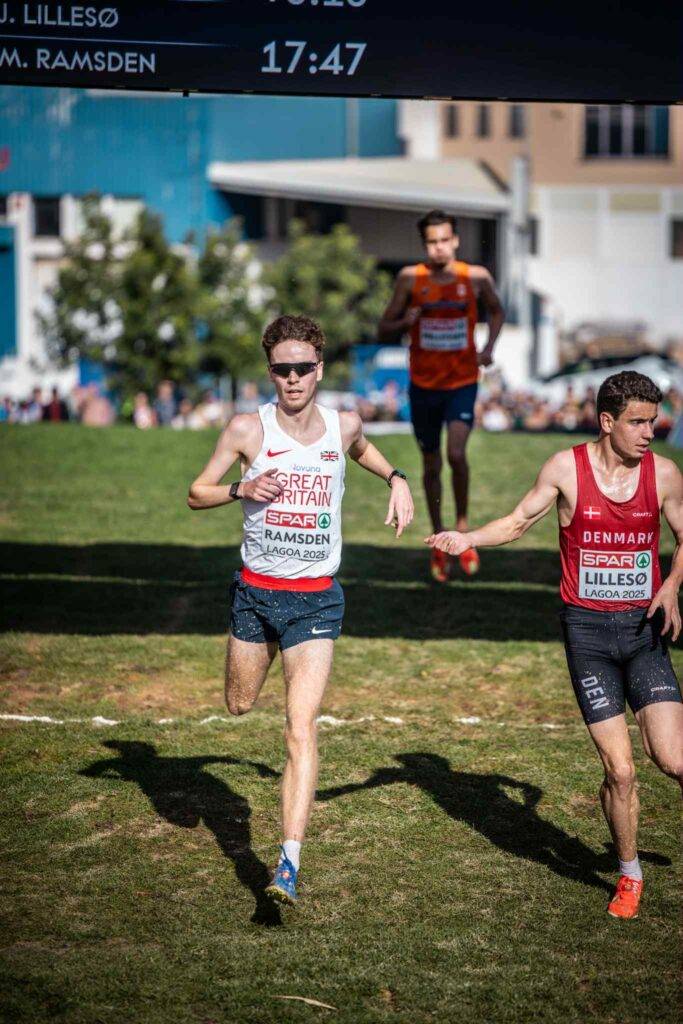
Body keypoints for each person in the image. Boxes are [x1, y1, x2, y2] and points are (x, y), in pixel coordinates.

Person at [426, 371, 683, 920]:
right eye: (637, 422)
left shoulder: (663, 474)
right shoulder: (566, 469)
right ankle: (630, 874)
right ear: (607, 421)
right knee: (620, 771)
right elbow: (518, 522)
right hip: (587, 636)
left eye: (653, 421)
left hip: (644, 633)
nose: (649, 432)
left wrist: (671, 587)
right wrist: (467, 537)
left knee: (673, 759)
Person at [188, 314, 414, 907]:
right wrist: (240, 489)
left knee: (300, 725)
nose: (292, 378)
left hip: (316, 600)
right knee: (239, 704)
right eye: (282, 369)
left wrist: (396, 477)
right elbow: (195, 492)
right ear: (271, 372)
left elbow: (361, 447)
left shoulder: (344, 425)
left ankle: (288, 862)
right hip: (255, 595)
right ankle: (248, 670)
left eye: (302, 368)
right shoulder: (247, 429)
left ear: (319, 369)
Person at [379, 209, 504, 582]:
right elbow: (384, 326)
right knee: (431, 464)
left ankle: (462, 531)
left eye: (445, 240)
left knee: (457, 454)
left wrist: (489, 347)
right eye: (432, 242)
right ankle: (438, 538)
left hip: (462, 381)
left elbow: (497, 312)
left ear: (456, 240)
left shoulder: (475, 277)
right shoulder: (410, 278)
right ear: (424, 244)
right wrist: (405, 321)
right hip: (423, 385)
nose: (439, 247)